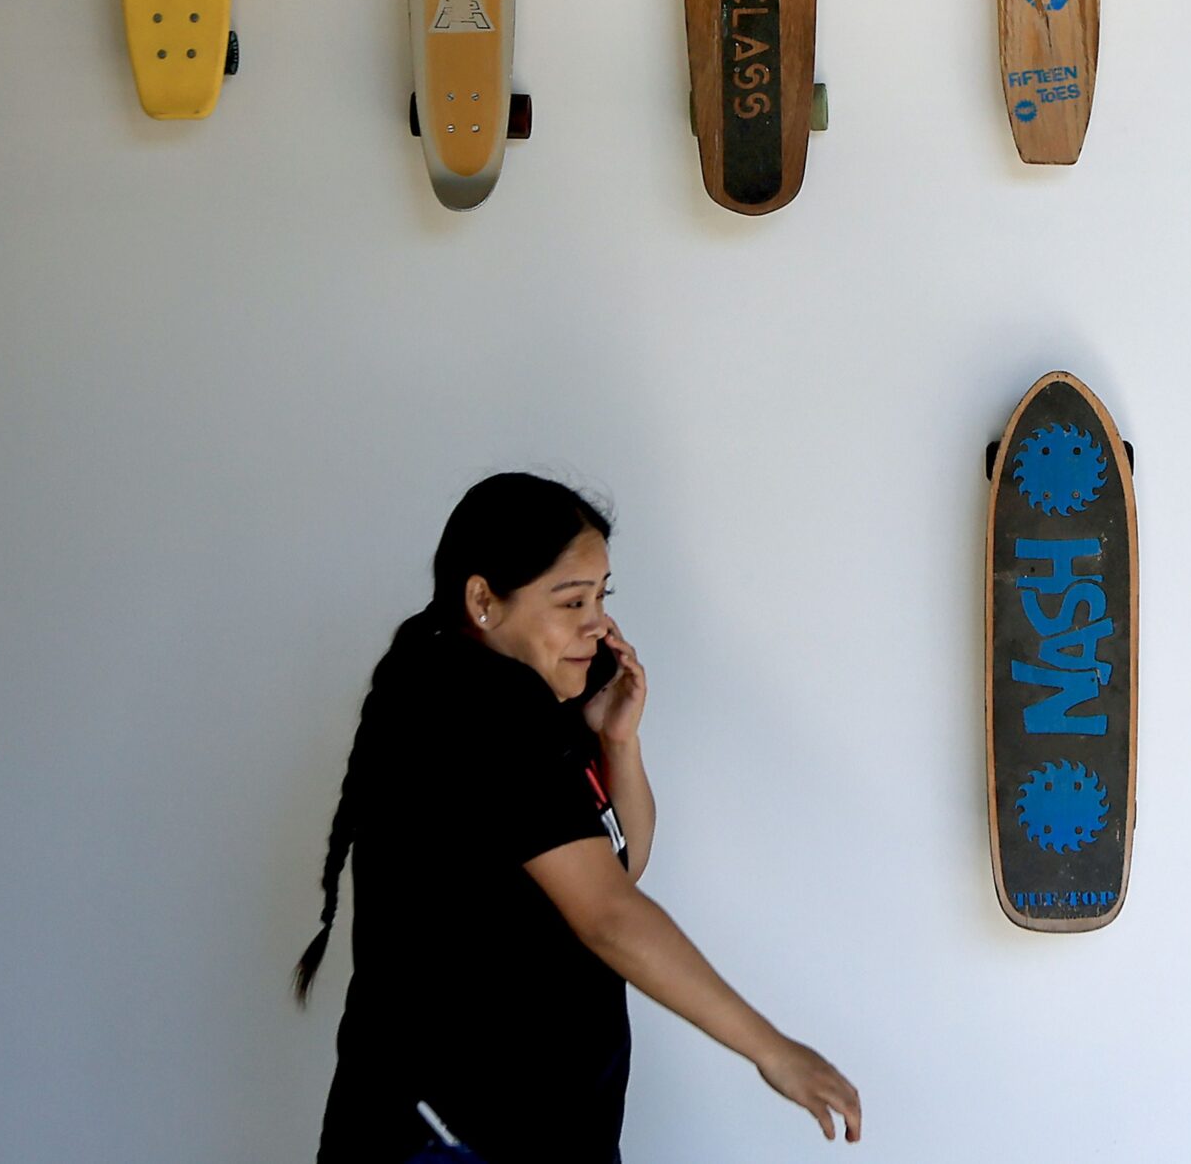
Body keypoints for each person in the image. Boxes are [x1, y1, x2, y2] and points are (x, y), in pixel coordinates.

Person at [296, 473, 861, 1160]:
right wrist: (773, 1050)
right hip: (449, 1135)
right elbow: (608, 916)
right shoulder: (477, 711)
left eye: (601, 596)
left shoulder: (528, 707)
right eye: (571, 600)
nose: (596, 622)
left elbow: (622, 866)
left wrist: (617, 739)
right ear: (483, 599)